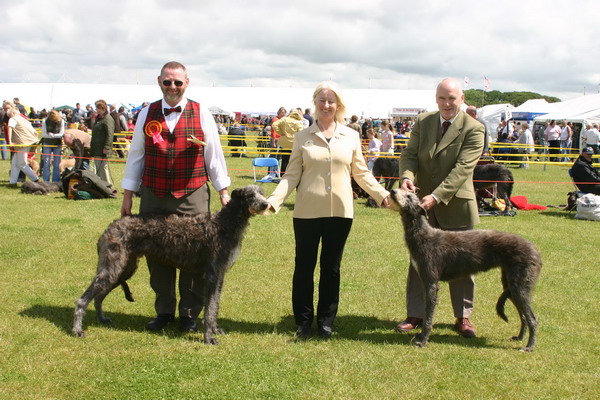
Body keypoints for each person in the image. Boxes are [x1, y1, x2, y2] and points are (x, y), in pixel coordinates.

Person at [267, 81, 390, 339]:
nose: (326, 105)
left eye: (331, 101)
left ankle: (325, 321)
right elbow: (291, 175)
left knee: (331, 268)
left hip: (340, 213)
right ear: (315, 103)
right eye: (322, 100)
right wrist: (274, 200)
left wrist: (382, 195)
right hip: (306, 212)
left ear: (339, 105)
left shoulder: (352, 136)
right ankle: (303, 321)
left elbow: (361, 173)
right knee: (304, 266)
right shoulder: (302, 137)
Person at [121, 61, 231, 333]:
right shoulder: (147, 112)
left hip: (191, 194)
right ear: (159, 81)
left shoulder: (201, 112)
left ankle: (190, 314)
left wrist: (223, 192)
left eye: (177, 82)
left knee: (196, 255)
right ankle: (164, 311)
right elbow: (137, 155)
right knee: (156, 254)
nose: (172, 87)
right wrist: (127, 195)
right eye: (167, 82)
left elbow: (213, 156)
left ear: (187, 83)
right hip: (154, 195)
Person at [396, 78, 484, 339]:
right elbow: (410, 154)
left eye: (452, 98)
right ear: (436, 98)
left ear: (461, 97)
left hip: (455, 205)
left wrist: (436, 196)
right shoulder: (423, 121)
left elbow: (463, 169)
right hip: (421, 206)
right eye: (442, 98)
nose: (447, 103)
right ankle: (416, 314)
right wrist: (406, 177)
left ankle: (463, 317)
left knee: (462, 263)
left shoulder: (474, 128)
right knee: (418, 263)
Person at [6, 107, 40, 186]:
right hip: (30, 141)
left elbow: (10, 128)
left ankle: (36, 180)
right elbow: (35, 132)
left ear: (12, 114)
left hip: (23, 143)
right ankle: (12, 182)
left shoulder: (13, 119)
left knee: (22, 163)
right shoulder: (24, 119)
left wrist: (10, 141)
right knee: (15, 163)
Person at [90, 99, 115, 185]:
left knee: (103, 168)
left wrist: (107, 147)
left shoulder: (107, 119)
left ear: (101, 108)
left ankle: (107, 186)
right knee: (98, 167)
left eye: (97, 108)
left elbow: (110, 134)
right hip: (97, 148)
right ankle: (102, 186)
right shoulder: (100, 118)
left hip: (102, 148)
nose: (96, 110)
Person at [40, 109, 65, 182]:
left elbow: (62, 134)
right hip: (47, 143)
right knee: (46, 163)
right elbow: (43, 134)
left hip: (57, 144)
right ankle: (46, 181)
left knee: (57, 164)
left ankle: (56, 181)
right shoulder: (45, 121)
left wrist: (52, 135)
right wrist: (54, 136)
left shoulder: (61, 121)